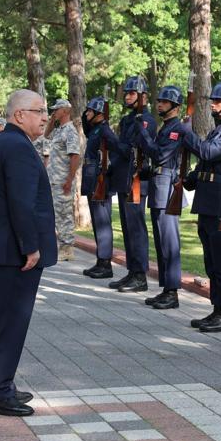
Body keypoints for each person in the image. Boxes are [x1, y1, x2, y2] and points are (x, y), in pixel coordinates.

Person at [0, 89, 56, 417]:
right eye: (39, 111)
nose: (45, 117)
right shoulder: (18, 148)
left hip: (2, 249)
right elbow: (21, 204)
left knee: (3, 322)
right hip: (14, 252)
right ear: (19, 115)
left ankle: (1, 384)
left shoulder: (4, 143)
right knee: (9, 322)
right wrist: (31, 247)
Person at [180, 82, 221, 331]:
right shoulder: (218, 130)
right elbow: (207, 164)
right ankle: (217, 308)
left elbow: (207, 153)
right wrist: (192, 178)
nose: (213, 105)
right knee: (211, 261)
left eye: (218, 101)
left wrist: (187, 134)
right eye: (213, 101)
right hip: (208, 201)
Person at [99, 76, 157, 292]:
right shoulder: (128, 120)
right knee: (127, 228)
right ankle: (133, 272)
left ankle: (140, 275)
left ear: (143, 96)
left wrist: (109, 136)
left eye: (132, 93)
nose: (128, 96)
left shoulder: (146, 121)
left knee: (136, 230)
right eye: (127, 93)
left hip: (136, 181)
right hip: (124, 180)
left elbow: (126, 149)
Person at [134, 86, 190, 309]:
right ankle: (166, 288)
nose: (159, 105)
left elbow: (159, 154)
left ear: (175, 107)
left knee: (169, 243)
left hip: (167, 190)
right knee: (161, 242)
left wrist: (144, 135)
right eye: (159, 101)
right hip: (159, 186)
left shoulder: (176, 129)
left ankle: (172, 291)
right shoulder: (167, 127)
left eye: (165, 102)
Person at [43, 99, 81, 260]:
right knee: (57, 214)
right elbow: (46, 135)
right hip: (54, 179)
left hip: (63, 180)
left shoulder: (70, 131)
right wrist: (52, 120)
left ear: (65, 111)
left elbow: (75, 156)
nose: (54, 112)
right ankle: (62, 247)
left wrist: (69, 179)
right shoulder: (60, 130)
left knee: (64, 215)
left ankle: (67, 249)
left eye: (56, 110)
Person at [80, 97, 114, 279]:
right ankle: (101, 261)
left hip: (101, 180)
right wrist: (85, 117)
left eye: (91, 111)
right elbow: (86, 129)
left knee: (103, 224)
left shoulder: (105, 130)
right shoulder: (95, 130)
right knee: (97, 222)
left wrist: (106, 171)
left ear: (100, 113)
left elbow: (119, 150)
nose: (87, 114)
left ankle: (106, 263)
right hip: (93, 180)